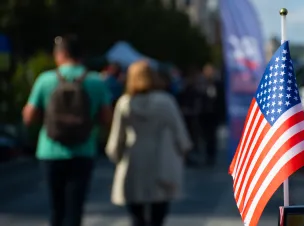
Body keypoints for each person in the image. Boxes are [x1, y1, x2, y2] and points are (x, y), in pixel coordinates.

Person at [22, 34, 112, 226]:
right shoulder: (95, 81)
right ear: (82, 56)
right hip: (83, 149)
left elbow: (29, 117)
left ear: (60, 54)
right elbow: (106, 118)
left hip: (51, 150)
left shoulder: (45, 80)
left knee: (56, 208)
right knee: (75, 209)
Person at [106, 60, 192, 226]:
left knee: (137, 217)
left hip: (133, 161)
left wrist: (115, 155)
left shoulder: (125, 103)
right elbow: (180, 133)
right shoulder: (165, 102)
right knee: (158, 215)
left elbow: (117, 137)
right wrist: (183, 150)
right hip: (161, 160)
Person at [198, 64, 224, 166]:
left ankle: (211, 156)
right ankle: (206, 154)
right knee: (205, 135)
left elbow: (220, 99)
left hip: (213, 114)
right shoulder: (201, 84)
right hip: (203, 114)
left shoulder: (217, 84)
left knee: (212, 136)